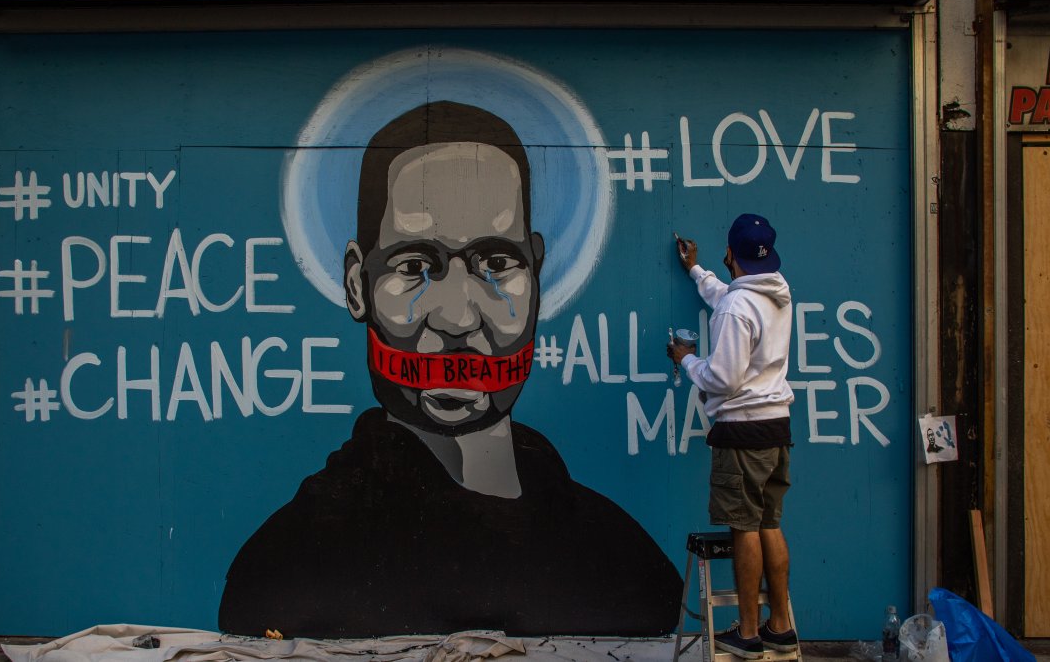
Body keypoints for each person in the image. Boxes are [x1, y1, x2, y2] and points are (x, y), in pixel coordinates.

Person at [219, 101, 682, 639]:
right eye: (414, 267)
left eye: (497, 264)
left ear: (537, 276)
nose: (458, 317)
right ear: (356, 285)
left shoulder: (626, 563)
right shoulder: (284, 567)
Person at [666, 214, 797, 660]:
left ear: (730, 254)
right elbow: (730, 296)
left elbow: (721, 378)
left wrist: (686, 360)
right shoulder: (776, 294)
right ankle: (779, 626)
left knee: (744, 529)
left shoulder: (736, 309)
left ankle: (747, 633)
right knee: (769, 524)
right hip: (776, 427)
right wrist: (695, 272)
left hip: (742, 433)